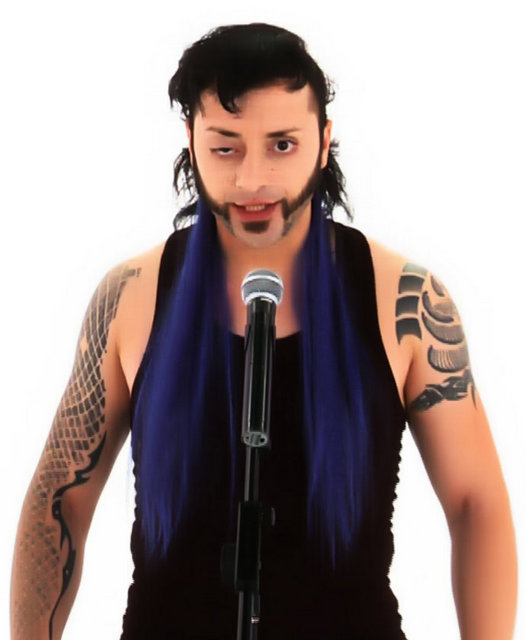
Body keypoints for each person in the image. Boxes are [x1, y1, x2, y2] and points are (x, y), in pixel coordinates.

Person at [10, 23, 517, 640]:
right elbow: (59, 499)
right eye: (226, 148)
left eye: (282, 144)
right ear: (191, 142)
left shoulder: (404, 298)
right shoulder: (130, 296)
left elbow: (474, 502)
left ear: (324, 142)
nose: (252, 179)